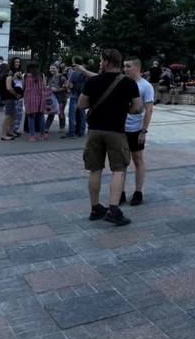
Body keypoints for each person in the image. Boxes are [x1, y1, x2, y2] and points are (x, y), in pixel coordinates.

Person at [79, 49, 142, 226]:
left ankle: (95, 208)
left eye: (101, 60)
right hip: (116, 131)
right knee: (119, 169)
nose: (100, 63)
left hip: (94, 131)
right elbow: (137, 108)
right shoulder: (129, 83)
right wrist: (123, 108)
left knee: (95, 169)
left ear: (106, 62)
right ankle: (113, 210)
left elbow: (81, 105)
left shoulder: (93, 81)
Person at [120, 57, 154, 206]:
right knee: (121, 162)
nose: (125, 69)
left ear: (137, 68)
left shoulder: (146, 86)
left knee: (137, 160)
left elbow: (149, 110)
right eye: (124, 66)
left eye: (128, 66)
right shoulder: (122, 82)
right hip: (120, 129)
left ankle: (138, 192)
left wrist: (143, 131)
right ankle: (120, 192)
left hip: (135, 128)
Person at [63, 56, 88, 139]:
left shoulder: (74, 72)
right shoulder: (85, 72)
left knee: (72, 114)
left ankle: (71, 131)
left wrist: (66, 84)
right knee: (82, 114)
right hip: (83, 95)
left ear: (74, 62)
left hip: (74, 95)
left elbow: (69, 84)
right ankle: (81, 131)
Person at [23, 61, 47, 141]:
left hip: (29, 97)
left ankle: (32, 136)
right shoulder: (41, 75)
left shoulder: (25, 75)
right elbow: (44, 86)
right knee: (40, 115)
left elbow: (24, 86)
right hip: (40, 97)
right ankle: (43, 134)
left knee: (30, 116)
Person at [45, 64, 67, 134]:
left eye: (53, 68)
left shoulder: (62, 78)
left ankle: (62, 127)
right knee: (51, 112)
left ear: (58, 69)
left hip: (61, 98)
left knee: (61, 113)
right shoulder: (49, 78)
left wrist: (57, 90)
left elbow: (66, 87)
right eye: (51, 68)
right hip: (51, 98)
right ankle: (46, 128)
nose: (52, 70)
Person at [0, 63, 18, 141]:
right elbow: (9, 88)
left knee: (13, 115)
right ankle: (4, 134)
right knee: (8, 115)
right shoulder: (8, 76)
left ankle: (10, 131)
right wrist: (16, 94)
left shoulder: (0, 77)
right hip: (9, 98)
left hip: (4, 98)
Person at [9, 57, 25, 135]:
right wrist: (14, 76)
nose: (18, 63)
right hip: (13, 94)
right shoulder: (10, 72)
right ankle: (10, 129)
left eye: (19, 62)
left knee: (19, 113)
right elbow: (9, 83)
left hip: (20, 94)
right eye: (16, 62)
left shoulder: (20, 72)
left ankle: (16, 129)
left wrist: (22, 77)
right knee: (12, 114)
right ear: (12, 63)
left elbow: (23, 84)